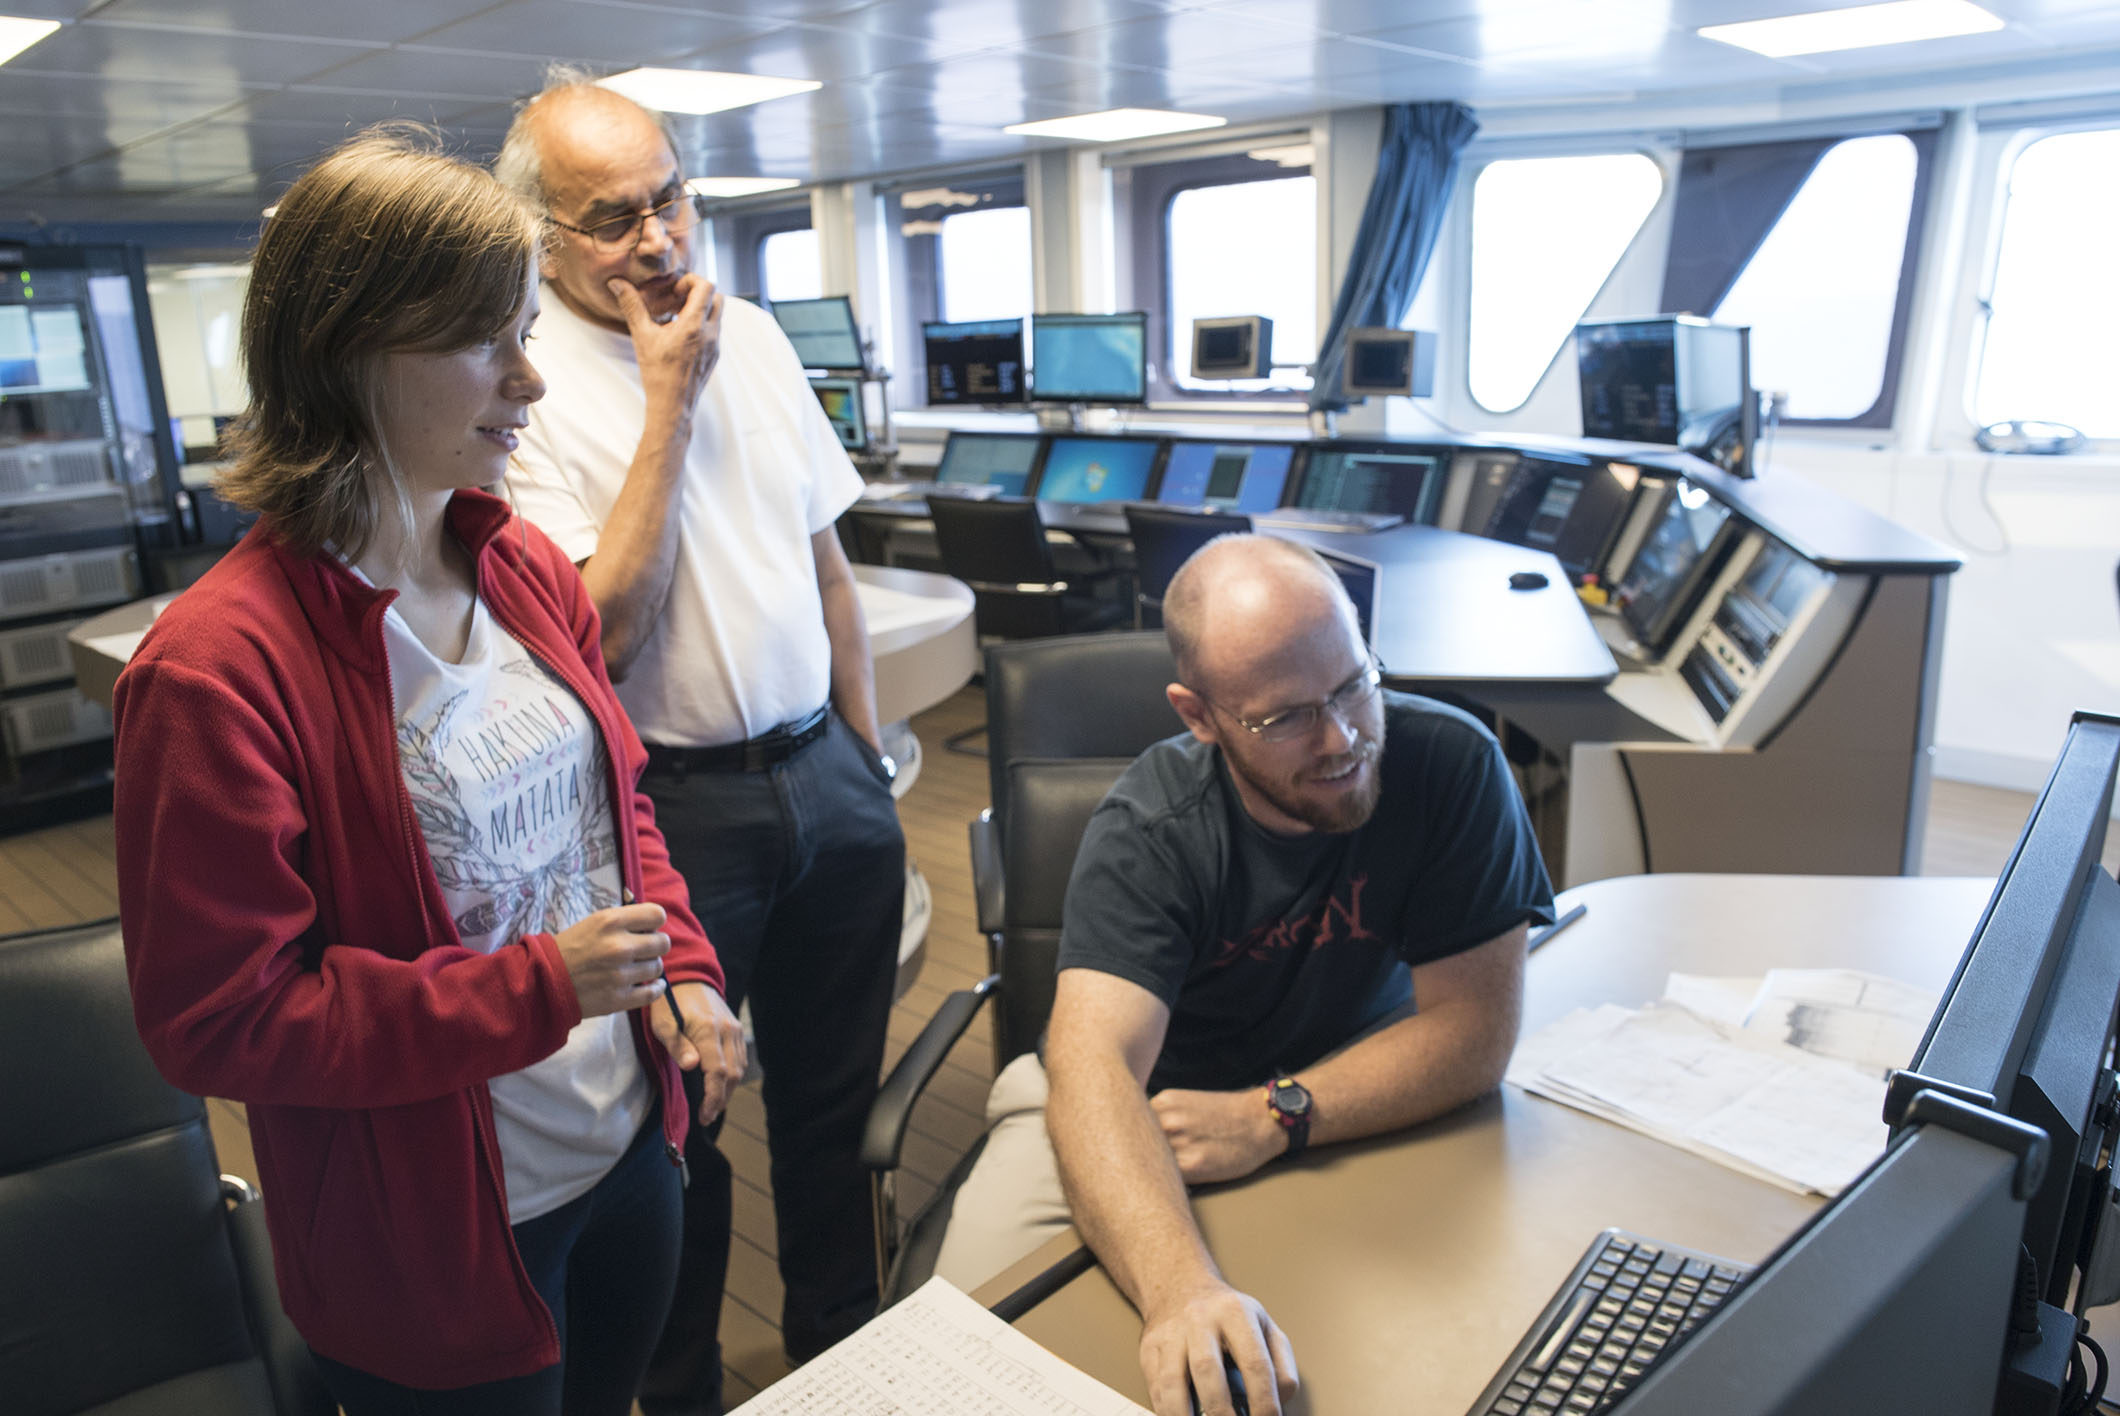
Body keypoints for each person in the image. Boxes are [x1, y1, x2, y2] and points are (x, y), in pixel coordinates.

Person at [112, 127, 747, 1415]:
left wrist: (680, 963)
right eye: (485, 344)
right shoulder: (214, 670)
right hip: (439, 1240)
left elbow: (612, 805)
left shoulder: (516, 566)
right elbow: (219, 1018)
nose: (528, 383)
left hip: (626, 1149)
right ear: (348, 352)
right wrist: (531, 992)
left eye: (524, 334)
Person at [495, 74, 905, 1414]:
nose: (659, 241)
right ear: (542, 235)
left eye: (669, 198)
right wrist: (669, 400)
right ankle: (682, 1394)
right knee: (688, 1122)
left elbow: (827, 567)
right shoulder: (518, 384)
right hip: (669, 815)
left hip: (823, 780)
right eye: (611, 218)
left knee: (836, 1104)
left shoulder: (766, 339)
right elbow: (596, 633)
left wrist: (862, 758)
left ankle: (843, 1349)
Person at [933, 534, 1556, 1416]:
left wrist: (1276, 1115)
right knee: (963, 1353)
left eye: (1353, 684)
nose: (1342, 738)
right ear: (1198, 715)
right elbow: (1094, 1066)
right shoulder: (1152, 828)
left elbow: (1471, 1031)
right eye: (1285, 718)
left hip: (1342, 1081)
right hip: (1140, 1102)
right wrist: (1181, 1292)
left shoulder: (1452, 764)